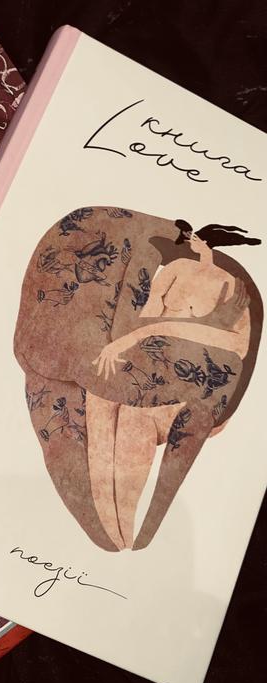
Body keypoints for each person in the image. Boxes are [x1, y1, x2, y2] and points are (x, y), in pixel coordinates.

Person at [89, 220, 259, 549]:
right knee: (101, 402)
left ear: (202, 242)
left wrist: (172, 328)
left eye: (195, 238)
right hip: (149, 360)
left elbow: (237, 347)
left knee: (135, 421)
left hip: (190, 377)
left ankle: (124, 529)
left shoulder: (232, 288)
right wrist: (194, 325)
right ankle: (109, 526)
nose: (190, 241)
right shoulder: (176, 269)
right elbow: (146, 320)